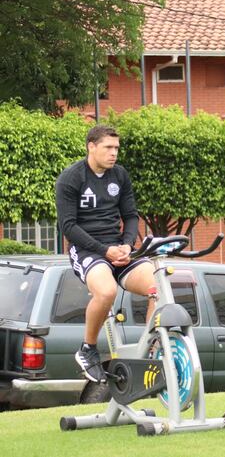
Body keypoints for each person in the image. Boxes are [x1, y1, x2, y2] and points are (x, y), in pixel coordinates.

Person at [56, 125, 156, 383]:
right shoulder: (71, 178)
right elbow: (68, 227)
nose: (114, 153)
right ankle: (87, 349)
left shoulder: (119, 175)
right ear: (91, 146)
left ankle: (151, 349)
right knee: (107, 291)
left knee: (158, 286)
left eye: (116, 148)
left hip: (118, 249)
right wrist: (105, 250)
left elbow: (131, 215)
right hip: (88, 251)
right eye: (108, 148)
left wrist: (125, 244)